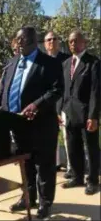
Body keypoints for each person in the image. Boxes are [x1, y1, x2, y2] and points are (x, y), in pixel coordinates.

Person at [0, 26, 63, 219]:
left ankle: (45, 203)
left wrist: (36, 105)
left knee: (44, 166)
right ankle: (28, 197)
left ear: (33, 41)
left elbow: (57, 90)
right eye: (17, 40)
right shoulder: (12, 62)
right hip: (18, 124)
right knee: (26, 164)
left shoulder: (49, 63)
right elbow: (4, 89)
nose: (19, 43)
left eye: (23, 40)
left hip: (41, 125)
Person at [60, 30, 100, 195]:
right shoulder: (66, 63)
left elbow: (95, 92)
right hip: (69, 113)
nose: (73, 44)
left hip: (86, 114)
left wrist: (93, 116)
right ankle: (77, 177)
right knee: (72, 146)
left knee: (90, 148)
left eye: (76, 41)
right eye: (70, 41)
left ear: (85, 43)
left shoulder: (94, 63)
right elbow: (63, 90)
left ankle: (92, 180)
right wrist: (59, 110)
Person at [44, 31, 71, 176]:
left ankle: (71, 168)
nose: (52, 41)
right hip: (47, 106)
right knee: (50, 136)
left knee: (67, 137)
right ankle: (55, 164)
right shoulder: (41, 62)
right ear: (45, 44)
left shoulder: (67, 60)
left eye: (55, 39)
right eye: (49, 39)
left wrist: (61, 108)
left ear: (59, 42)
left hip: (65, 104)